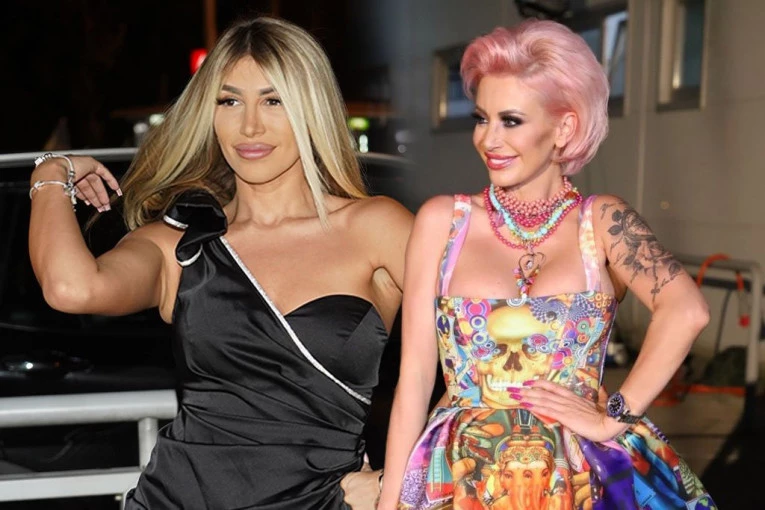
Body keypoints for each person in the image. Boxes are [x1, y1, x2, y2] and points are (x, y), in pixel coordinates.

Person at [28, 16, 411, 509]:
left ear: (311, 108)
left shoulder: (374, 227)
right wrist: (50, 174)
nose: (249, 126)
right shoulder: (180, 245)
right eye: (229, 102)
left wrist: (406, 474)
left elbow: (489, 353)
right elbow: (71, 288)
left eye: (273, 101)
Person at [379, 19, 716, 510]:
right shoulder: (442, 221)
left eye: (511, 121)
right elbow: (413, 381)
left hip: (584, 477)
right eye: (482, 118)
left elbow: (686, 311)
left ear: (564, 128)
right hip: (463, 476)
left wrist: (613, 417)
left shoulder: (602, 221)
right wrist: (390, 500)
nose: (489, 139)